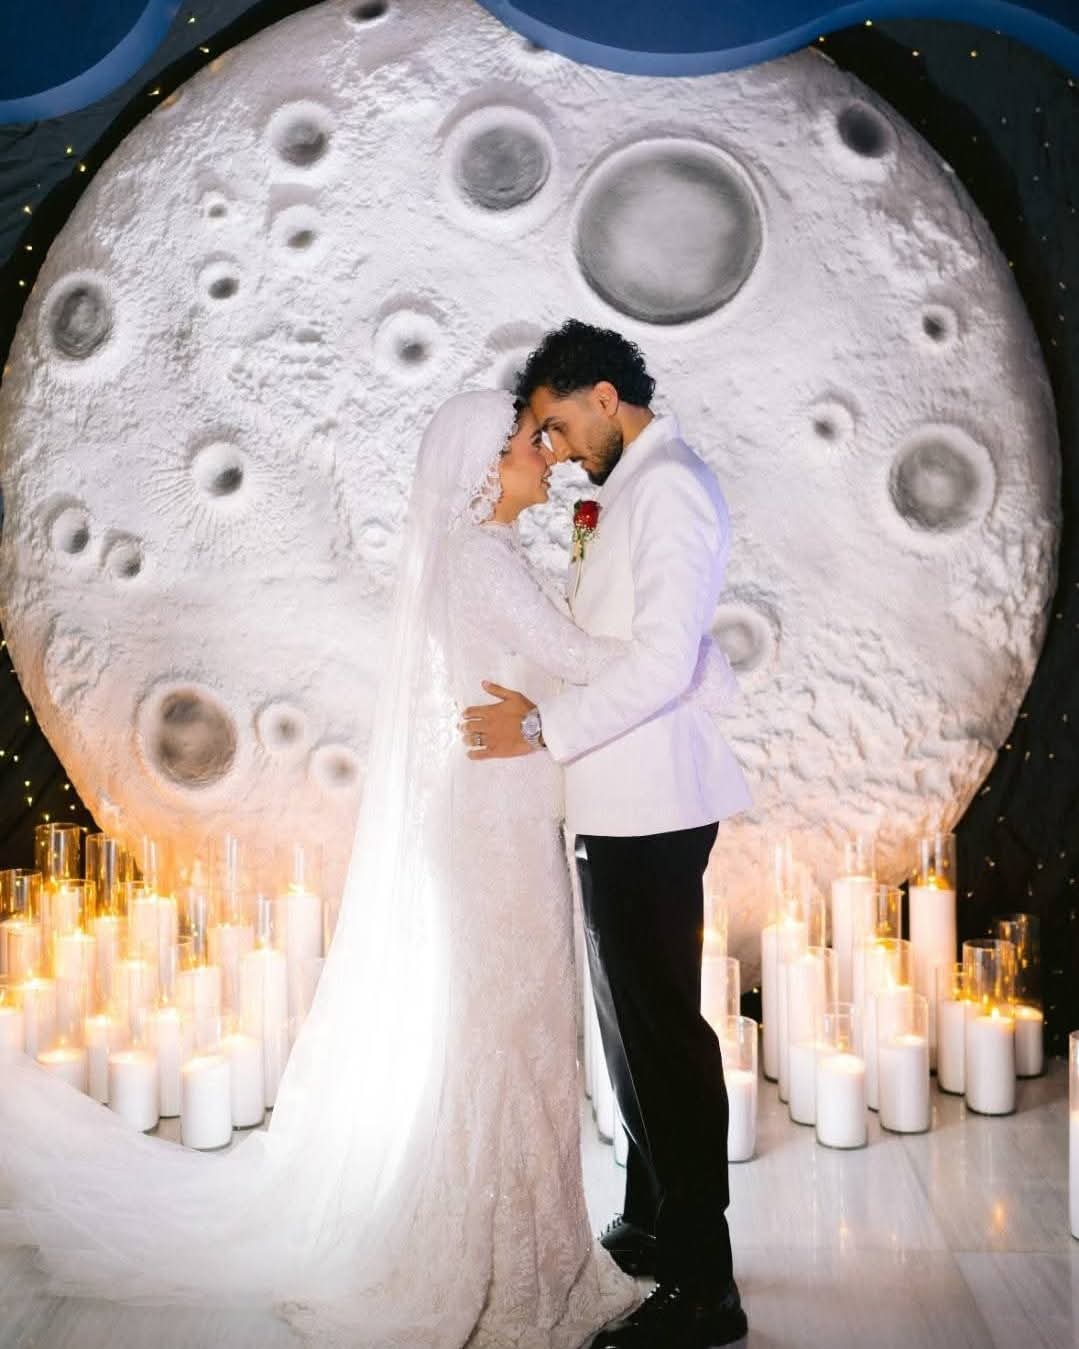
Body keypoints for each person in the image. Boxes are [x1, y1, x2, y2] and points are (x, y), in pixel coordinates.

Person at [0, 389, 651, 1348]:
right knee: (515, 1036)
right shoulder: (481, 557)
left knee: (513, 1034)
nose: (545, 453)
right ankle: (506, 1264)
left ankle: (523, 1249)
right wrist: (666, 640)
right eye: (528, 441)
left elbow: (549, 662)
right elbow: (580, 659)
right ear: (484, 469)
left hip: (504, 804)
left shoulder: (492, 552)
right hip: (497, 819)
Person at [461, 321, 753, 1349]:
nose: (552, 448)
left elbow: (662, 660)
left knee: (664, 1038)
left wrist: (544, 728)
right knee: (629, 1031)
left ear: (602, 395)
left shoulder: (668, 486)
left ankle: (703, 1285)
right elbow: (627, 638)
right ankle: (652, 1216)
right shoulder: (632, 483)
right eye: (538, 435)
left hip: (652, 800)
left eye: (555, 425)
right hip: (615, 798)